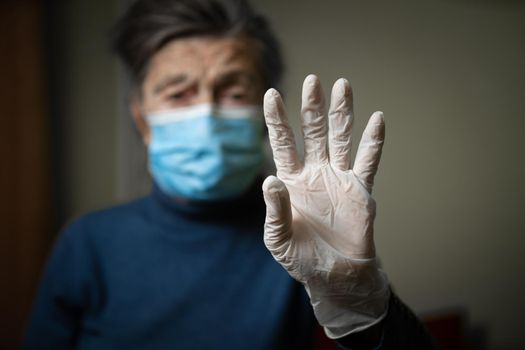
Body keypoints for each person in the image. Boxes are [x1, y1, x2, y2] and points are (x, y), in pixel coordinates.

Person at [25, 0, 439, 349]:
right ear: (142, 118)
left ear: (265, 114)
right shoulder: (87, 244)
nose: (207, 112)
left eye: (234, 92)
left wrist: (361, 306)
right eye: (178, 93)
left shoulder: (309, 237)